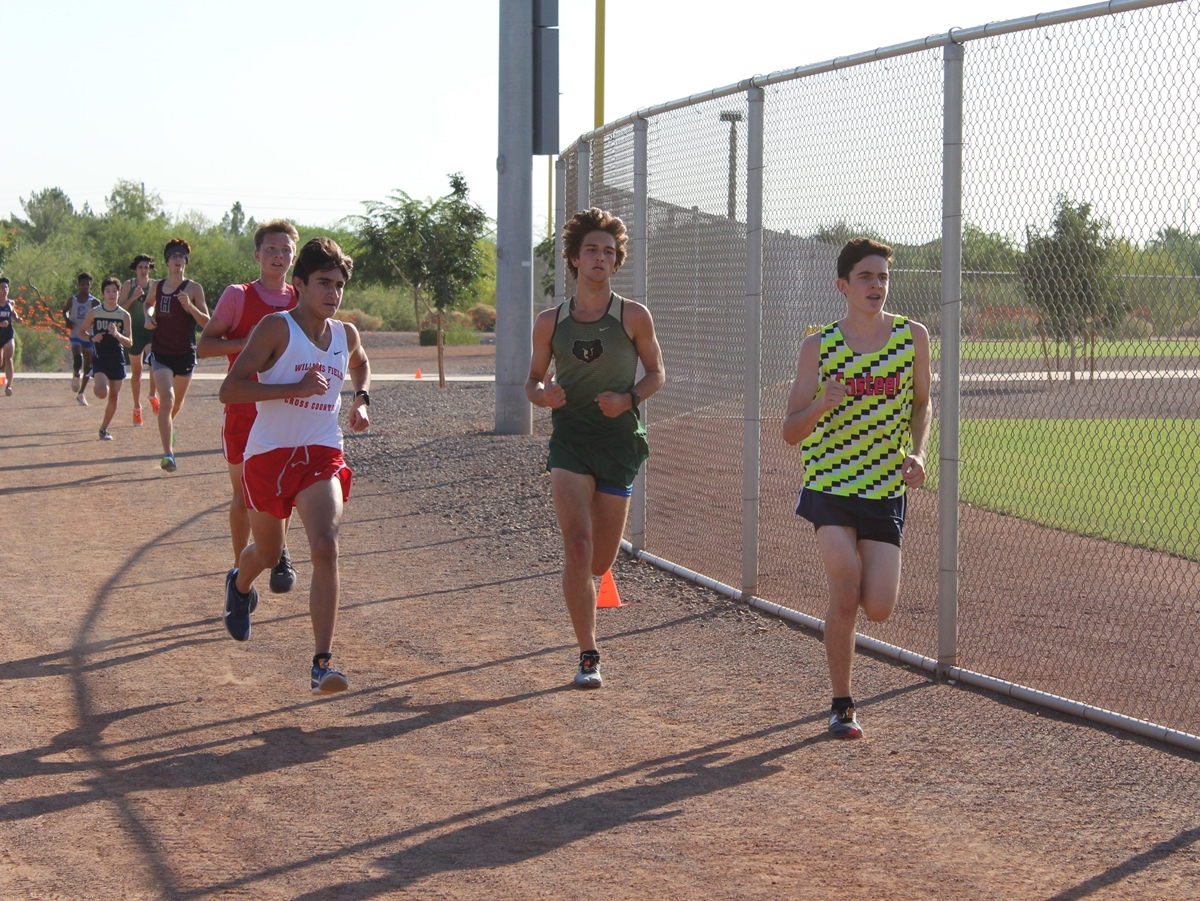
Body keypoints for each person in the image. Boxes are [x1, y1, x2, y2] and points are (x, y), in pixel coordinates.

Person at [782, 237, 931, 739]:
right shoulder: (818, 346)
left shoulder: (913, 338)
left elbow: (921, 404)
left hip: (886, 487)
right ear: (843, 286)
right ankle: (842, 703)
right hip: (831, 483)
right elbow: (790, 430)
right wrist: (823, 404)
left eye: (883, 277)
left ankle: (841, 668)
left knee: (880, 607)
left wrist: (920, 452)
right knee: (845, 588)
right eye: (866, 277)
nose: (877, 286)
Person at [218, 236, 370, 695]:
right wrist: (293, 388)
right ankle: (240, 585)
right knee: (265, 554)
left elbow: (360, 363)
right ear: (299, 285)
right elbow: (230, 390)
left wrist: (361, 399)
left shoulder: (346, 334)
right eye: (324, 283)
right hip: (267, 455)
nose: (333, 293)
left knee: (325, 545)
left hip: (321, 451)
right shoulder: (275, 329)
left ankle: (321, 663)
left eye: (339, 285)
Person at [525, 207, 665, 689]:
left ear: (616, 261)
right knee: (577, 547)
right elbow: (531, 380)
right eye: (591, 250)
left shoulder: (633, 315)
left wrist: (628, 398)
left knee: (600, 561)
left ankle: (590, 616)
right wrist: (542, 396)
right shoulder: (550, 321)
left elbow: (656, 374)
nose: (600, 258)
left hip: (618, 442)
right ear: (574, 258)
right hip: (571, 441)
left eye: (608, 251)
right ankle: (588, 653)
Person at [198, 220, 301, 592]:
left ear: (294, 257)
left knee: (282, 490)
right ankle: (240, 571)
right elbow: (205, 346)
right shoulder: (238, 296)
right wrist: (249, 345)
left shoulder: (301, 300)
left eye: (286, 250)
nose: (278, 256)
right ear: (257, 255)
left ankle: (281, 551)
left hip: (286, 410)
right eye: (271, 249)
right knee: (243, 495)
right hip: (243, 411)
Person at [144, 238, 209, 472]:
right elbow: (148, 305)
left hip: (185, 354)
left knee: (176, 404)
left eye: (182, 257)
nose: (178, 260)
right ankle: (168, 455)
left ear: (186, 262)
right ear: (167, 261)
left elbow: (206, 323)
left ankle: (168, 428)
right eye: (174, 256)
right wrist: (147, 317)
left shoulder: (193, 289)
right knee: (167, 399)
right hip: (160, 352)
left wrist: (189, 307)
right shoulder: (157, 287)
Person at [78, 277, 133, 440]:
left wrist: (117, 334)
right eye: (108, 291)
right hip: (100, 357)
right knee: (102, 392)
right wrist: (92, 338)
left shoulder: (124, 315)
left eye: (114, 291)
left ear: (119, 293)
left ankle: (104, 429)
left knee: (114, 397)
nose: (111, 294)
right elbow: (82, 332)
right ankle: (94, 380)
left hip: (117, 357)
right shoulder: (95, 312)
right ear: (102, 293)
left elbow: (130, 342)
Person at [117, 254, 159, 425]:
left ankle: (152, 395)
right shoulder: (129, 285)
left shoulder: (155, 285)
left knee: (154, 363)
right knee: (137, 372)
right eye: (140, 267)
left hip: (150, 330)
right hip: (133, 332)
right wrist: (134, 297)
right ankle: (137, 408)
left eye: (146, 267)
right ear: (135, 269)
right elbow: (120, 308)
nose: (143, 270)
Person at [63, 273, 98, 404]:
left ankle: (81, 393)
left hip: (88, 336)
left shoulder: (94, 302)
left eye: (87, 284)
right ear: (79, 285)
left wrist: (95, 323)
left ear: (90, 285)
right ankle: (76, 374)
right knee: (78, 358)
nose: (84, 286)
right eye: (82, 284)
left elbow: (99, 315)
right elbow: (65, 310)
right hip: (76, 334)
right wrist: (67, 319)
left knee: (88, 367)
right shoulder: (73, 299)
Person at [0, 277, 19, 396]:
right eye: (2, 287)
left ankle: (9, 386)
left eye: (6, 287)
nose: (4, 289)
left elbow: (13, 313)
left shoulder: (10, 303)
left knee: (9, 359)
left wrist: (18, 318)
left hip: (8, 335)